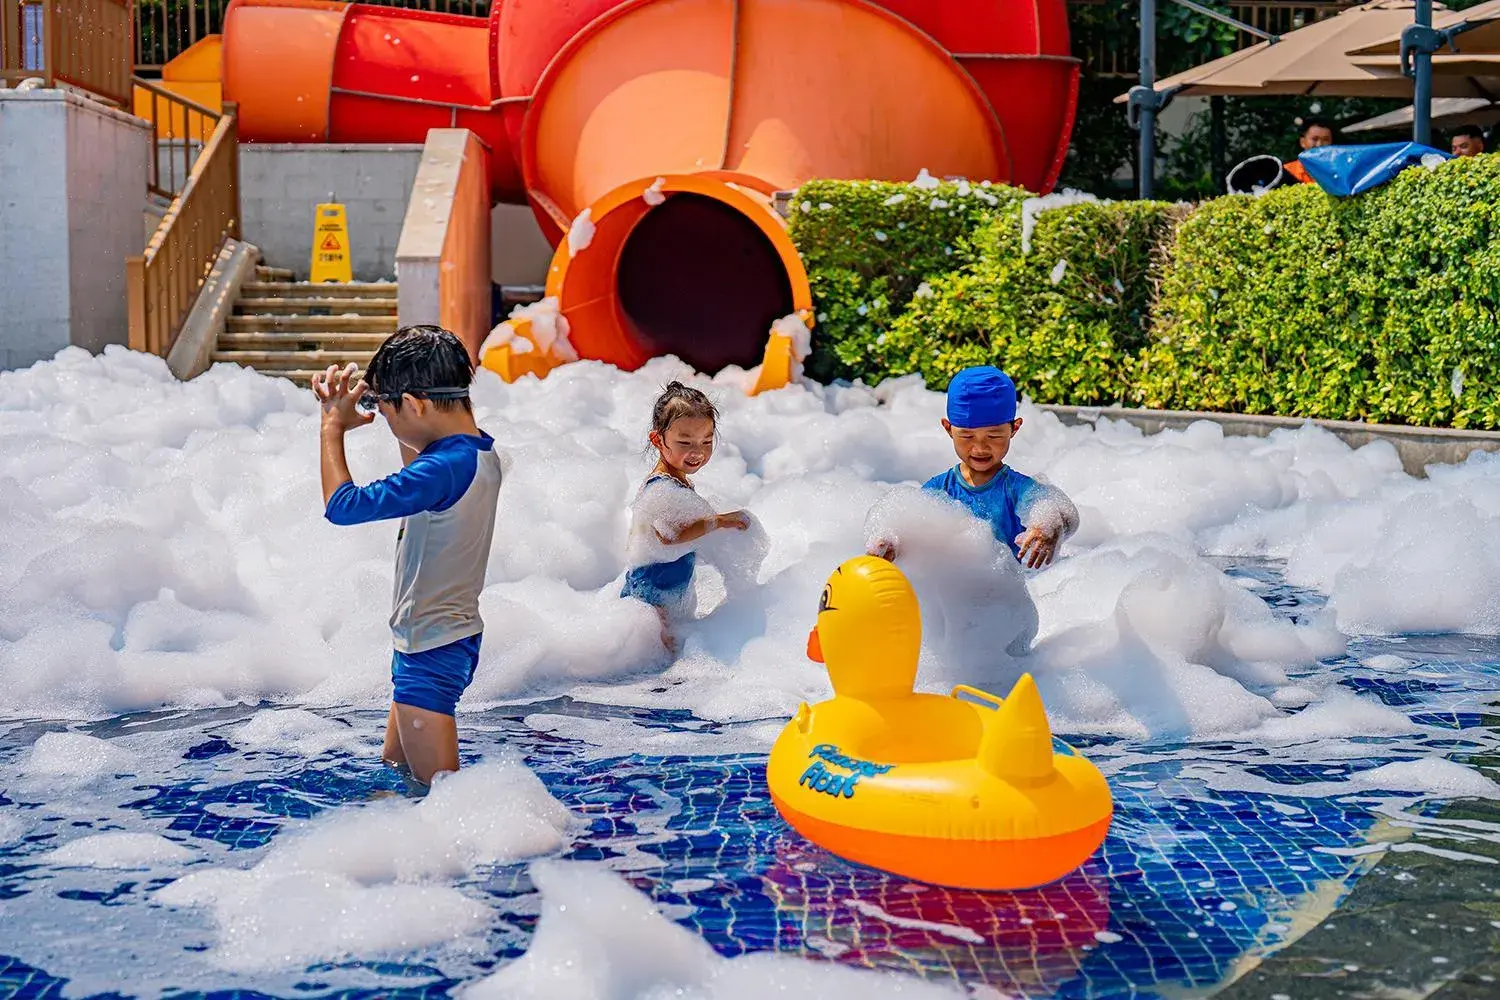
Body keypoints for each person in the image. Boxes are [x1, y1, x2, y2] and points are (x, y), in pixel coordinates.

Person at [312, 325, 502, 790]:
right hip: (439, 641)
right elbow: (420, 459)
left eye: (385, 408)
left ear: (415, 404)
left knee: (440, 799)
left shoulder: (441, 469)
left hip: (430, 651)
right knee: (396, 779)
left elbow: (343, 506)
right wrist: (384, 402)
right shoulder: (475, 450)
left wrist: (332, 427)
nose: (382, 417)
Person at [870, 365, 1077, 568]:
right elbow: (913, 530)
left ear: (1014, 429)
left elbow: (1061, 514)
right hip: (957, 592)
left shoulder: (1018, 489)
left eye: (994, 436)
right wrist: (893, 544)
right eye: (967, 436)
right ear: (948, 429)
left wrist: (1047, 528)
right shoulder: (939, 489)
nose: (980, 448)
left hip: (1010, 592)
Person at [622, 381, 750, 652]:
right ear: (658, 440)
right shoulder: (661, 488)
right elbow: (670, 535)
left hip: (666, 587)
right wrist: (718, 522)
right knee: (662, 650)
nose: (698, 451)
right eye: (685, 442)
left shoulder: (675, 482)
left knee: (670, 645)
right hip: (652, 591)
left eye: (706, 440)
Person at [1284, 117, 1335, 184]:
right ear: (1302, 142)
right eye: (1315, 139)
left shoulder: (1339, 171)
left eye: (1326, 140)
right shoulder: (1287, 171)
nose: (1320, 145)